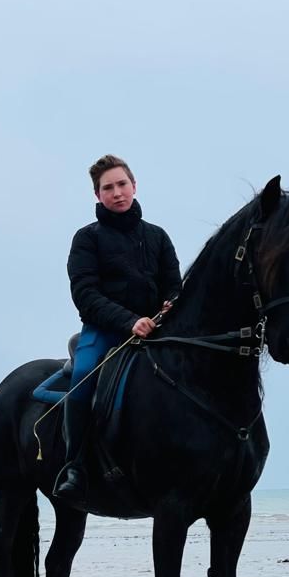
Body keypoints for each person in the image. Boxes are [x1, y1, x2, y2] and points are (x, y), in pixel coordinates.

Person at [53, 154, 181, 509]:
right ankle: (74, 467)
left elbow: (174, 284)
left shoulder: (157, 236)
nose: (117, 192)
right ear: (98, 195)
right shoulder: (86, 239)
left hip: (156, 331)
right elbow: (85, 294)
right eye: (107, 188)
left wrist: (170, 304)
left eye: (122, 184)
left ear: (134, 186)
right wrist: (129, 322)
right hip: (104, 332)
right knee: (81, 380)